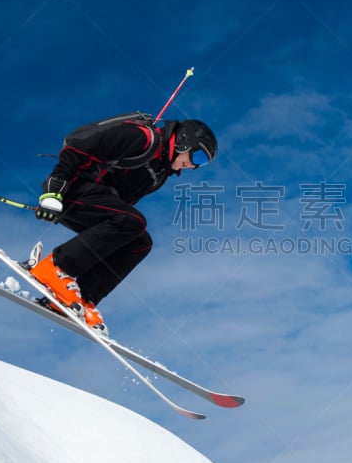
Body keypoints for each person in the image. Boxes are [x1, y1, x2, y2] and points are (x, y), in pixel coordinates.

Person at [27, 113, 217, 336]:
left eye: (201, 165)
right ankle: (54, 268)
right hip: (73, 189)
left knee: (140, 242)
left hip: (95, 201)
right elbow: (79, 148)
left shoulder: (159, 172)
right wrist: (53, 191)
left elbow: (122, 205)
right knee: (133, 221)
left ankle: (82, 298)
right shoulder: (142, 137)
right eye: (198, 158)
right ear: (184, 140)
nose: (194, 167)